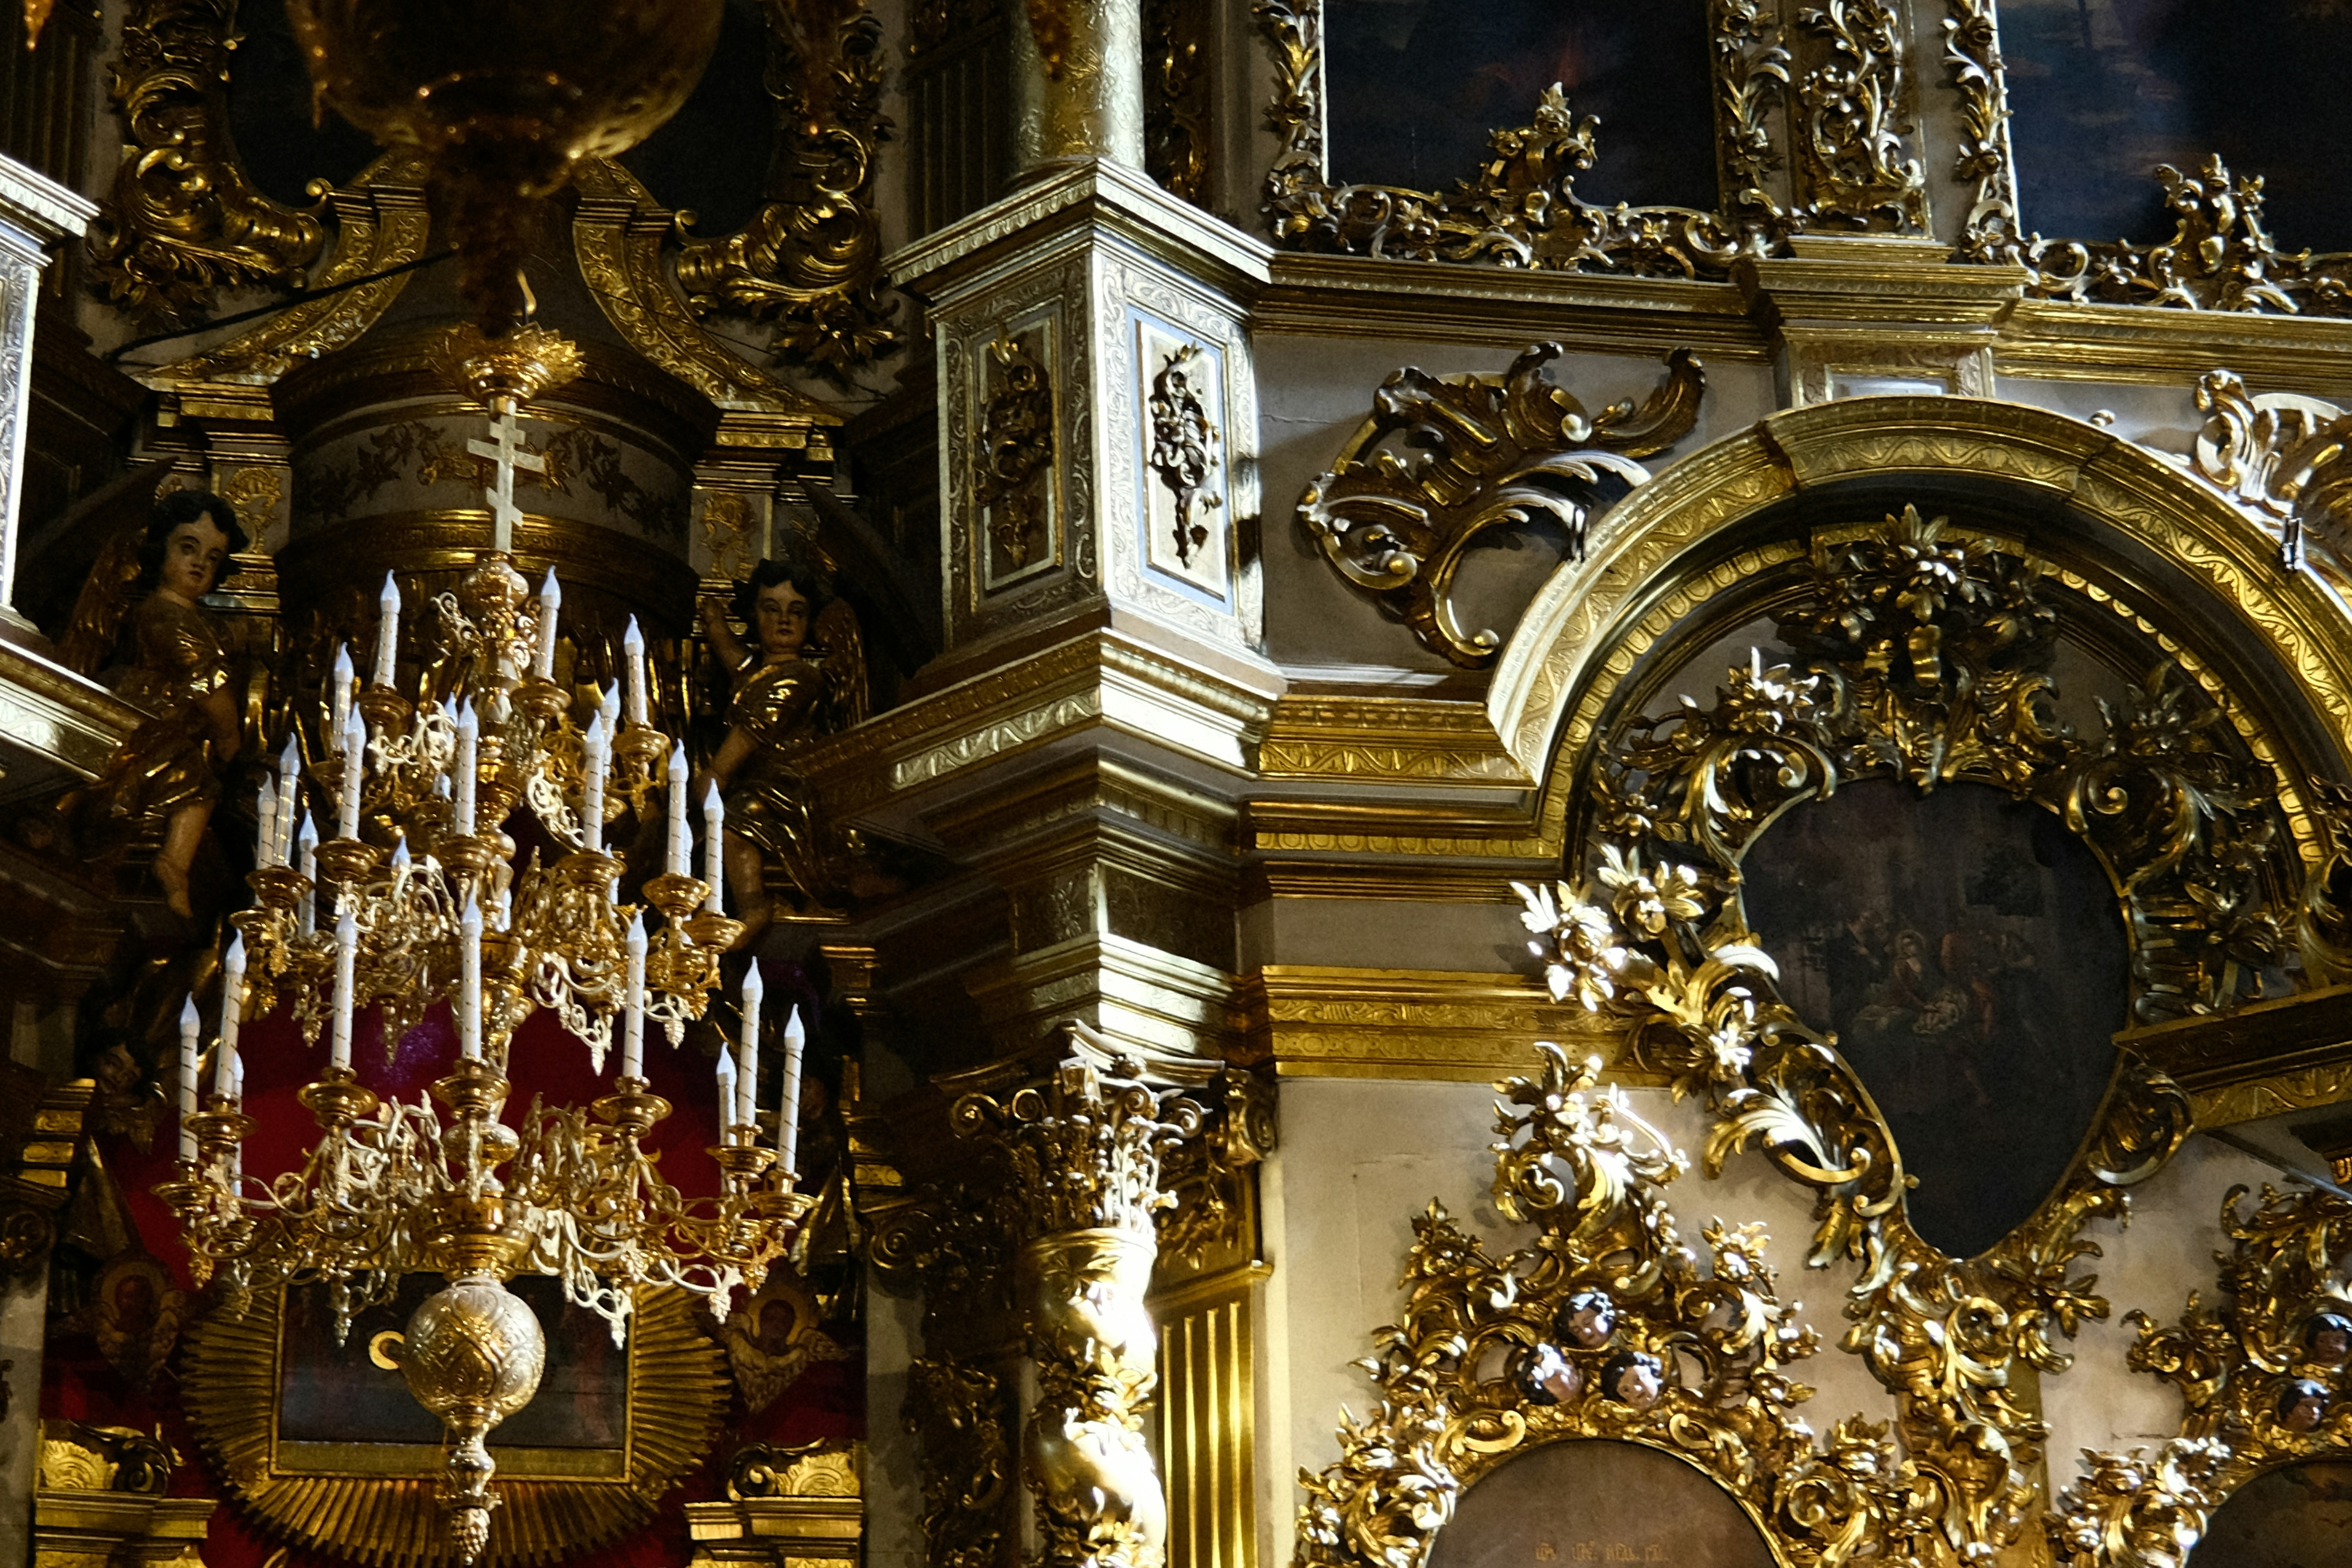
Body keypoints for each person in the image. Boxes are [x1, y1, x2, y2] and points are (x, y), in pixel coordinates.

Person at [58, 491, 245, 919]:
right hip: (155, 722)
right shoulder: (168, 616)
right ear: (160, 549)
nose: (199, 563)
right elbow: (212, 691)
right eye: (187, 548)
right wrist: (231, 740)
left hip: (157, 718)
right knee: (197, 782)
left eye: (213, 557)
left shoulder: (180, 616)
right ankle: (174, 864)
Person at [696, 557, 862, 946]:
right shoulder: (760, 671)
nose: (784, 621)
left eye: (796, 612)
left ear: (810, 622)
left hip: (786, 788)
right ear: (755, 616)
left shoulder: (803, 678)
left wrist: (716, 774)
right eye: (771, 609)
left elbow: (752, 731)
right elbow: (741, 666)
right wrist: (717, 629)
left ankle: (754, 904)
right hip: (758, 782)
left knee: (732, 824)